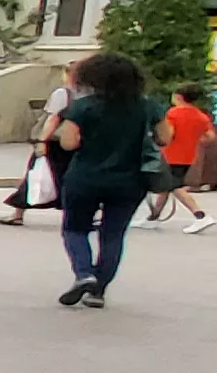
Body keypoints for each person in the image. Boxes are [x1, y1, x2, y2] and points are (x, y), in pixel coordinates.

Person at [52, 51, 162, 307]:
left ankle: (84, 273)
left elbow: (68, 143)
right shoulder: (148, 105)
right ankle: (98, 291)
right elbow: (165, 137)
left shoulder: (83, 106)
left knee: (74, 228)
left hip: (85, 177)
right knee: (112, 235)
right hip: (130, 180)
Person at [0, 70, 74, 227]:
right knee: (68, 179)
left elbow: (53, 118)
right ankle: (77, 214)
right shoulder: (91, 93)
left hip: (54, 142)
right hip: (73, 141)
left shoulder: (63, 93)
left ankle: (18, 213)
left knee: (35, 174)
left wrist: (41, 140)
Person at [150, 84, 217, 233]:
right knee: (167, 186)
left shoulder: (173, 113)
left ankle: (200, 215)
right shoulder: (201, 116)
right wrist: (193, 139)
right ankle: (153, 218)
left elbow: (169, 133)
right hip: (187, 156)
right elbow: (210, 137)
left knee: (174, 186)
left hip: (170, 154)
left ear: (178, 97)